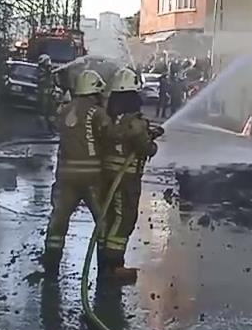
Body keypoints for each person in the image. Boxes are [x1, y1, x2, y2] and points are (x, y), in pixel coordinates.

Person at [41, 69, 110, 277]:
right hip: (92, 178)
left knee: (59, 219)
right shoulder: (97, 113)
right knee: (102, 220)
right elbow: (109, 135)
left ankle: (51, 265)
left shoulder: (64, 111)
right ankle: (105, 268)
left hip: (65, 177)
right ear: (94, 91)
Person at [98, 67, 160, 283]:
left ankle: (103, 259)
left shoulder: (109, 117)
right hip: (126, 178)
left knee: (109, 217)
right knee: (125, 218)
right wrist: (151, 142)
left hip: (106, 174)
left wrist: (148, 133)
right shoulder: (135, 121)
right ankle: (114, 265)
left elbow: (121, 138)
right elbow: (145, 148)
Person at [36, 54, 56, 133]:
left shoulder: (49, 71)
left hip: (50, 93)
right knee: (43, 110)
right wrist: (48, 73)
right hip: (43, 93)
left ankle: (51, 127)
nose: (49, 63)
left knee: (51, 111)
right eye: (47, 61)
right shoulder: (41, 71)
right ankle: (43, 129)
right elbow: (41, 80)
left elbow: (54, 82)